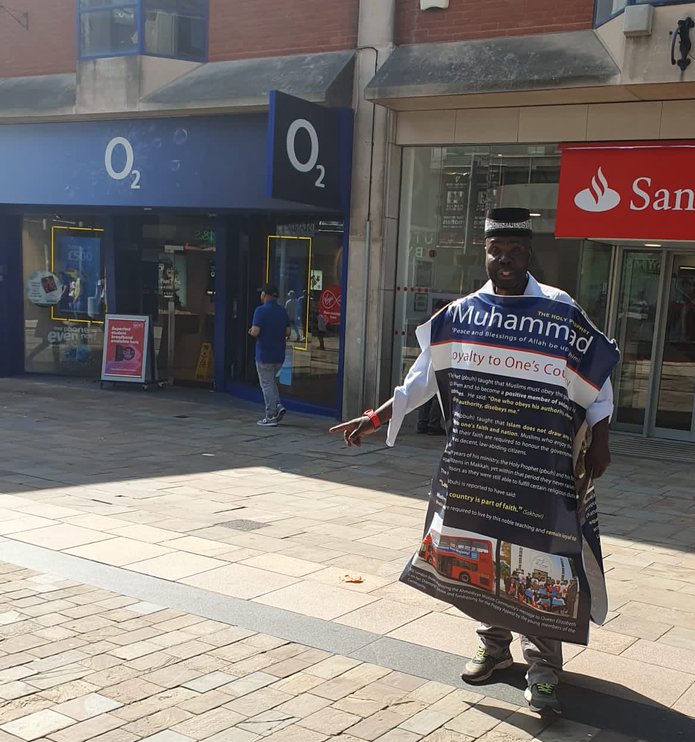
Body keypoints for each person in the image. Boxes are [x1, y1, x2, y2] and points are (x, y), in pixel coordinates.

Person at [331, 207, 619, 715]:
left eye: (514, 251)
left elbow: (596, 379)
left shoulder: (558, 309)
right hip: (477, 469)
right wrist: (375, 417)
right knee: (484, 559)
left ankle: (543, 671)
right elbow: (422, 379)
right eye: (495, 250)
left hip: (538, 471)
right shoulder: (463, 315)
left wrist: (601, 437)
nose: (504, 259)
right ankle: (494, 647)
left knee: (539, 562)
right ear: (484, 253)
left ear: (528, 254)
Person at [249, 282, 290, 427]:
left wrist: (251, 331)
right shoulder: (282, 311)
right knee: (271, 382)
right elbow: (288, 332)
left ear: (264, 295)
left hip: (264, 354)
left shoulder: (260, 311)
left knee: (266, 385)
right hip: (279, 355)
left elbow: (255, 331)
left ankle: (271, 415)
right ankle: (278, 406)